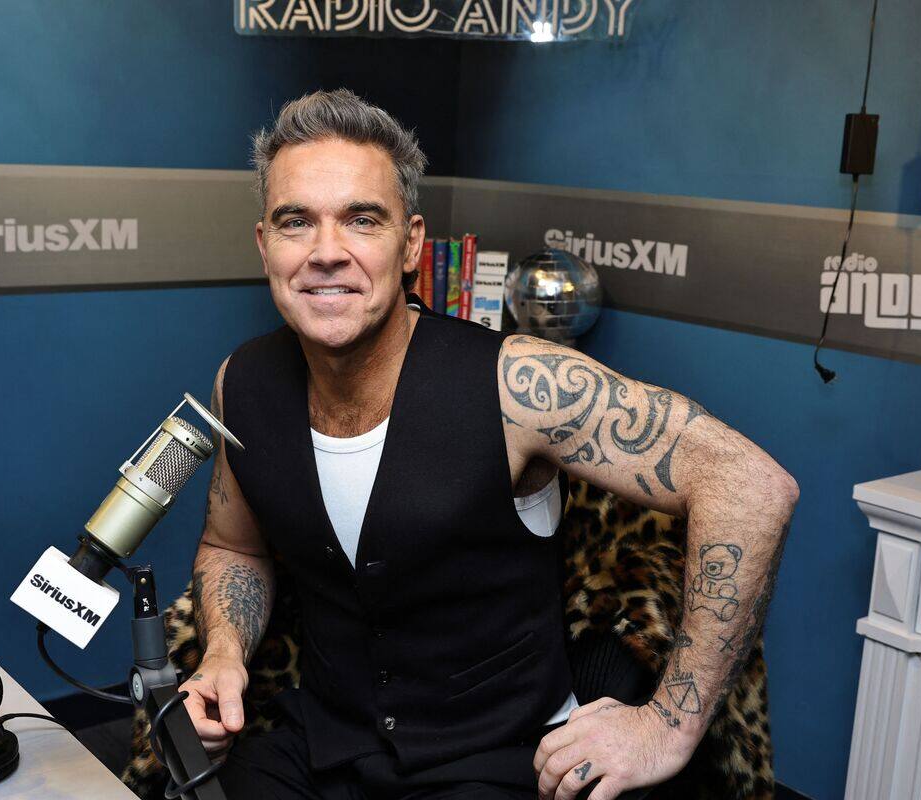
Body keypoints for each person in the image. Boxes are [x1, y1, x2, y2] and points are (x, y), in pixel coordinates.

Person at [179, 89, 798, 800]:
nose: (326, 253)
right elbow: (233, 546)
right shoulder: (243, 383)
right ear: (265, 243)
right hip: (327, 740)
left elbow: (751, 485)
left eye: (362, 220)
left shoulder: (518, 384)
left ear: (411, 244)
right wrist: (223, 654)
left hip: (497, 757)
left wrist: (668, 725)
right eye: (297, 222)